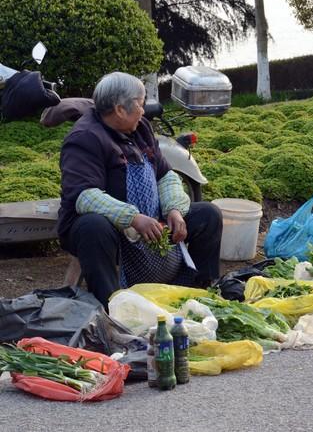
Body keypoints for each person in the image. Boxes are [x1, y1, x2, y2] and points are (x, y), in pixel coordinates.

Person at [58, 72, 222, 307]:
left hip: (150, 221)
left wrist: (174, 209)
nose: (143, 111)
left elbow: (165, 175)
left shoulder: (140, 128)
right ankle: (112, 306)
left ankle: (195, 295)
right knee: (92, 226)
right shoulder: (84, 138)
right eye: (140, 104)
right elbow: (85, 197)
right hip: (110, 231)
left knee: (208, 215)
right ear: (120, 109)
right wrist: (132, 218)